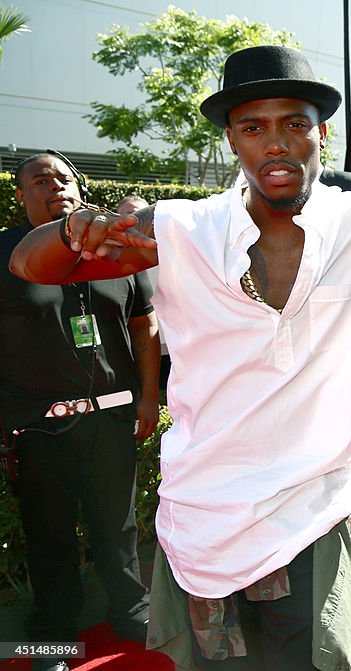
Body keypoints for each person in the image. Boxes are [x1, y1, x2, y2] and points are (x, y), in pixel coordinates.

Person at [10, 45, 351, 671]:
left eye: (294, 124)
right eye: (253, 127)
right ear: (231, 140)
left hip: (312, 518)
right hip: (205, 524)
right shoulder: (180, 227)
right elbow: (28, 263)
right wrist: (72, 232)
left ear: (322, 134)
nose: (275, 144)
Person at [2, 152, 158, 671]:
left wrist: (149, 397)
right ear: (21, 195)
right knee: (50, 535)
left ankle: (131, 612)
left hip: (111, 418)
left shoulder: (118, 250)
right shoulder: (7, 254)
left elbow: (145, 326)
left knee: (117, 528)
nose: (54, 187)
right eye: (39, 181)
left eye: (63, 178)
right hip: (39, 427)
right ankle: (52, 636)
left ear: (79, 186)